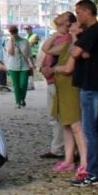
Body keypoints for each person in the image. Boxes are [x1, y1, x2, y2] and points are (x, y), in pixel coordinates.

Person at [68, 0, 98, 186]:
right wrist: (79, 44)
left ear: (87, 11)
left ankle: (92, 172)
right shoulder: (92, 32)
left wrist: (74, 37)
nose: (77, 16)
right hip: (92, 84)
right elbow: (82, 53)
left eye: (78, 12)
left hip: (91, 85)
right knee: (97, 128)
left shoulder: (95, 30)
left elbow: (76, 53)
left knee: (89, 130)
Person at [49, 16, 89, 179]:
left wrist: (56, 68)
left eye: (75, 23)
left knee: (76, 126)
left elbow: (68, 68)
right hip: (62, 90)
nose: (72, 24)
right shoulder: (68, 44)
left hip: (72, 89)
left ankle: (85, 163)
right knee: (66, 125)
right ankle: (69, 159)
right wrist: (55, 35)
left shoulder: (79, 44)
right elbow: (48, 49)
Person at [36, 15, 68, 159]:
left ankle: (60, 149)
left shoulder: (68, 38)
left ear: (68, 22)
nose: (58, 17)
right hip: (51, 80)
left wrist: (51, 69)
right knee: (53, 117)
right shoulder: (57, 36)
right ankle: (57, 147)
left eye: (63, 16)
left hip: (59, 81)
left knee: (58, 117)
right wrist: (42, 68)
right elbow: (44, 50)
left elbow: (49, 51)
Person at [5, 25, 33, 108]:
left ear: (17, 32)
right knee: (16, 85)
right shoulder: (8, 42)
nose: (13, 34)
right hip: (13, 66)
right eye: (11, 33)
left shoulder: (25, 41)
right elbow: (11, 53)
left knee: (23, 84)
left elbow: (29, 54)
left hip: (24, 66)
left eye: (14, 32)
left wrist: (33, 64)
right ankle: (18, 102)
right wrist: (13, 43)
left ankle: (22, 98)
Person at [25, 25, 39, 91]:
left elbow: (31, 44)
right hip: (27, 55)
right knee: (28, 69)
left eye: (28, 29)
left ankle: (31, 85)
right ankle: (30, 84)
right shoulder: (26, 37)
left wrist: (26, 44)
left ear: (31, 29)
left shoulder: (35, 36)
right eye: (26, 29)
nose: (27, 30)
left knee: (30, 69)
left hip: (33, 55)